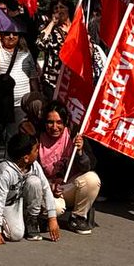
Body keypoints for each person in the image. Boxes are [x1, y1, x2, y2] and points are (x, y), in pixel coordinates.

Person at [34, 101, 99, 235]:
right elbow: (30, 173)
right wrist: (49, 186)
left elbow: (88, 167)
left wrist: (80, 152)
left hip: (69, 186)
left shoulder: (74, 135)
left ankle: (78, 217)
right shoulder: (37, 139)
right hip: (46, 189)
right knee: (56, 209)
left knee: (92, 179)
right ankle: (43, 218)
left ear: (65, 122)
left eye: (59, 122)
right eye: (50, 122)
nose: (54, 127)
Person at [0, 132, 60, 245]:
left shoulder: (34, 165)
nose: (38, 152)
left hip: (23, 201)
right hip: (8, 204)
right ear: (26, 158)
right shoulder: (5, 172)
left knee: (35, 182)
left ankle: (31, 221)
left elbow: (46, 189)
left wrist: (52, 218)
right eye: (35, 150)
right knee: (16, 235)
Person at [0, 24, 36, 143]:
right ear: (1, 35)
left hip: (19, 105)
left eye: (15, 34)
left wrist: (35, 96)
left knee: (14, 140)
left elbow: (33, 77)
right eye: (7, 33)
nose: (11, 36)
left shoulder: (26, 52)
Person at [35, 0, 74, 97]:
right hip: (52, 82)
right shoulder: (50, 30)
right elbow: (40, 44)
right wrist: (52, 22)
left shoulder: (76, 29)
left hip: (72, 80)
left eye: (62, 7)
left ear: (68, 9)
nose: (58, 10)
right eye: (56, 8)